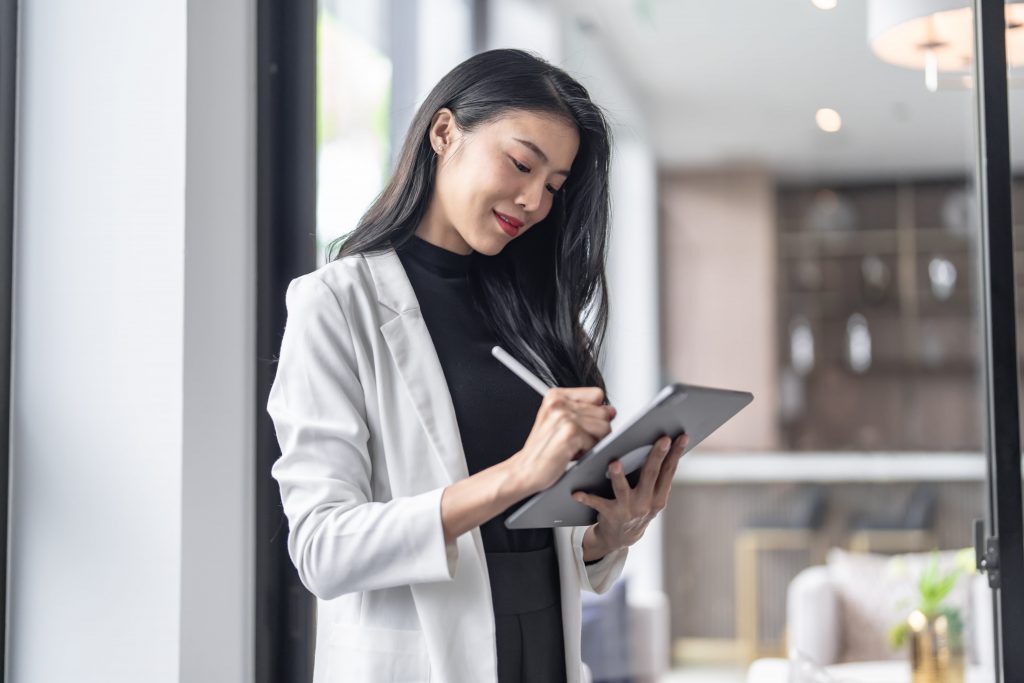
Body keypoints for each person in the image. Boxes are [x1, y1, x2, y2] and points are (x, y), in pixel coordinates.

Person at [267, 48, 688, 683]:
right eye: (521, 163)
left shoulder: (540, 318)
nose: (533, 200)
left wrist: (610, 533)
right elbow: (322, 549)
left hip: (546, 646)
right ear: (444, 132)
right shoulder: (335, 304)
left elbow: (556, 543)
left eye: (552, 186)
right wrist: (517, 475)